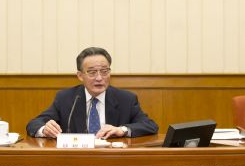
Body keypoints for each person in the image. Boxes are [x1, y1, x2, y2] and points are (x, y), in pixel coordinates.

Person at [26, 47, 158, 139]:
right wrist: (44, 129)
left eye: (104, 71)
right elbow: (34, 124)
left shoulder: (126, 99)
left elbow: (150, 126)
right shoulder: (66, 98)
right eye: (92, 72)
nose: (99, 78)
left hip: (113, 161)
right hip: (76, 161)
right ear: (80, 75)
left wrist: (121, 130)